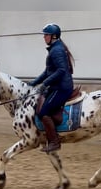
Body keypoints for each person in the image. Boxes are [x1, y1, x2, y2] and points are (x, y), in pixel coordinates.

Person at [28, 23, 75, 153]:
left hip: (61, 88)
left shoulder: (57, 50)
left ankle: (55, 142)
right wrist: (33, 83)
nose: (44, 37)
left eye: (46, 35)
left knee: (43, 112)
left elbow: (61, 71)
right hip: (56, 85)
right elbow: (47, 72)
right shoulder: (55, 48)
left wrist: (45, 84)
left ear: (53, 36)